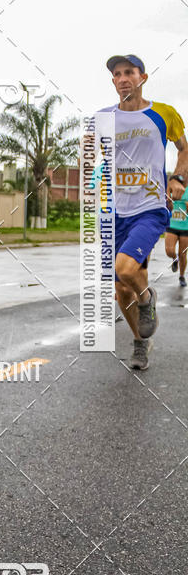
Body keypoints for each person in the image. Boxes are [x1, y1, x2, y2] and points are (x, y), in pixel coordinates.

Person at [98, 54, 188, 370]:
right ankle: (140, 343)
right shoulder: (102, 118)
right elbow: (94, 159)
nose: (123, 78)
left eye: (129, 72)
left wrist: (178, 177)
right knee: (122, 288)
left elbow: (184, 148)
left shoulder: (164, 113)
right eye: (117, 74)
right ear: (113, 82)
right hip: (113, 212)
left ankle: (147, 299)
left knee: (125, 269)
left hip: (150, 207)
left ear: (142, 77)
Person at [164, 181, 188, 286]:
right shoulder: (172, 185)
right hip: (172, 224)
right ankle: (174, 259)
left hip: (185, 226)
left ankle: (182, 276)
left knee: (183, 254)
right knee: (169, 251)